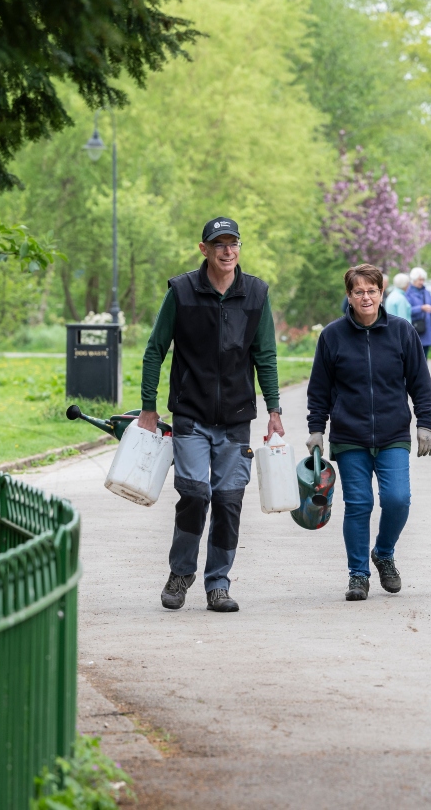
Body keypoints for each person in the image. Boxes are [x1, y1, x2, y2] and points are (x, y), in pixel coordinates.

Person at [139, 217, 284, 614]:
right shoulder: (182, 291)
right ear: (203, 249)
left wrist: (274, 408)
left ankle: (218, 583)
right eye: (218, 244)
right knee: (194, 494)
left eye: (232, 243)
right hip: (190, 414)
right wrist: (148, 406)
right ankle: (181, 572)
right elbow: (155, 349)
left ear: (239, 247)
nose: (227, 250)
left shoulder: (255, 293)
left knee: (228, 501)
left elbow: (265, 355)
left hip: (237, 417)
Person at [306, 263, 431, 602]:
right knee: (359, 503)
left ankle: (384, 552)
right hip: (350, 435)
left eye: (372, 291)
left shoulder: (402, 332)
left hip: (393, 432)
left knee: (397, 499)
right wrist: (316, 429)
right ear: (349, 296)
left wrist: (425, 424)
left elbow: (420, 383)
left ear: (382, 294)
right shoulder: (332, 336)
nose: (366, 297)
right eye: (358, 291)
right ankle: (358, 574)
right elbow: (319, 388)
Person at [405, 267, 431, 357]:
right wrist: (421, 308)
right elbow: (406, 310)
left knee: (425, 357)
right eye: (420, 280)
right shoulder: (408, 294)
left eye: (423, 280)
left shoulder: (426, 293)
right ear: (414, 280)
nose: (422, 282)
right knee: (415, 357)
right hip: (415, 328)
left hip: (426, 329)